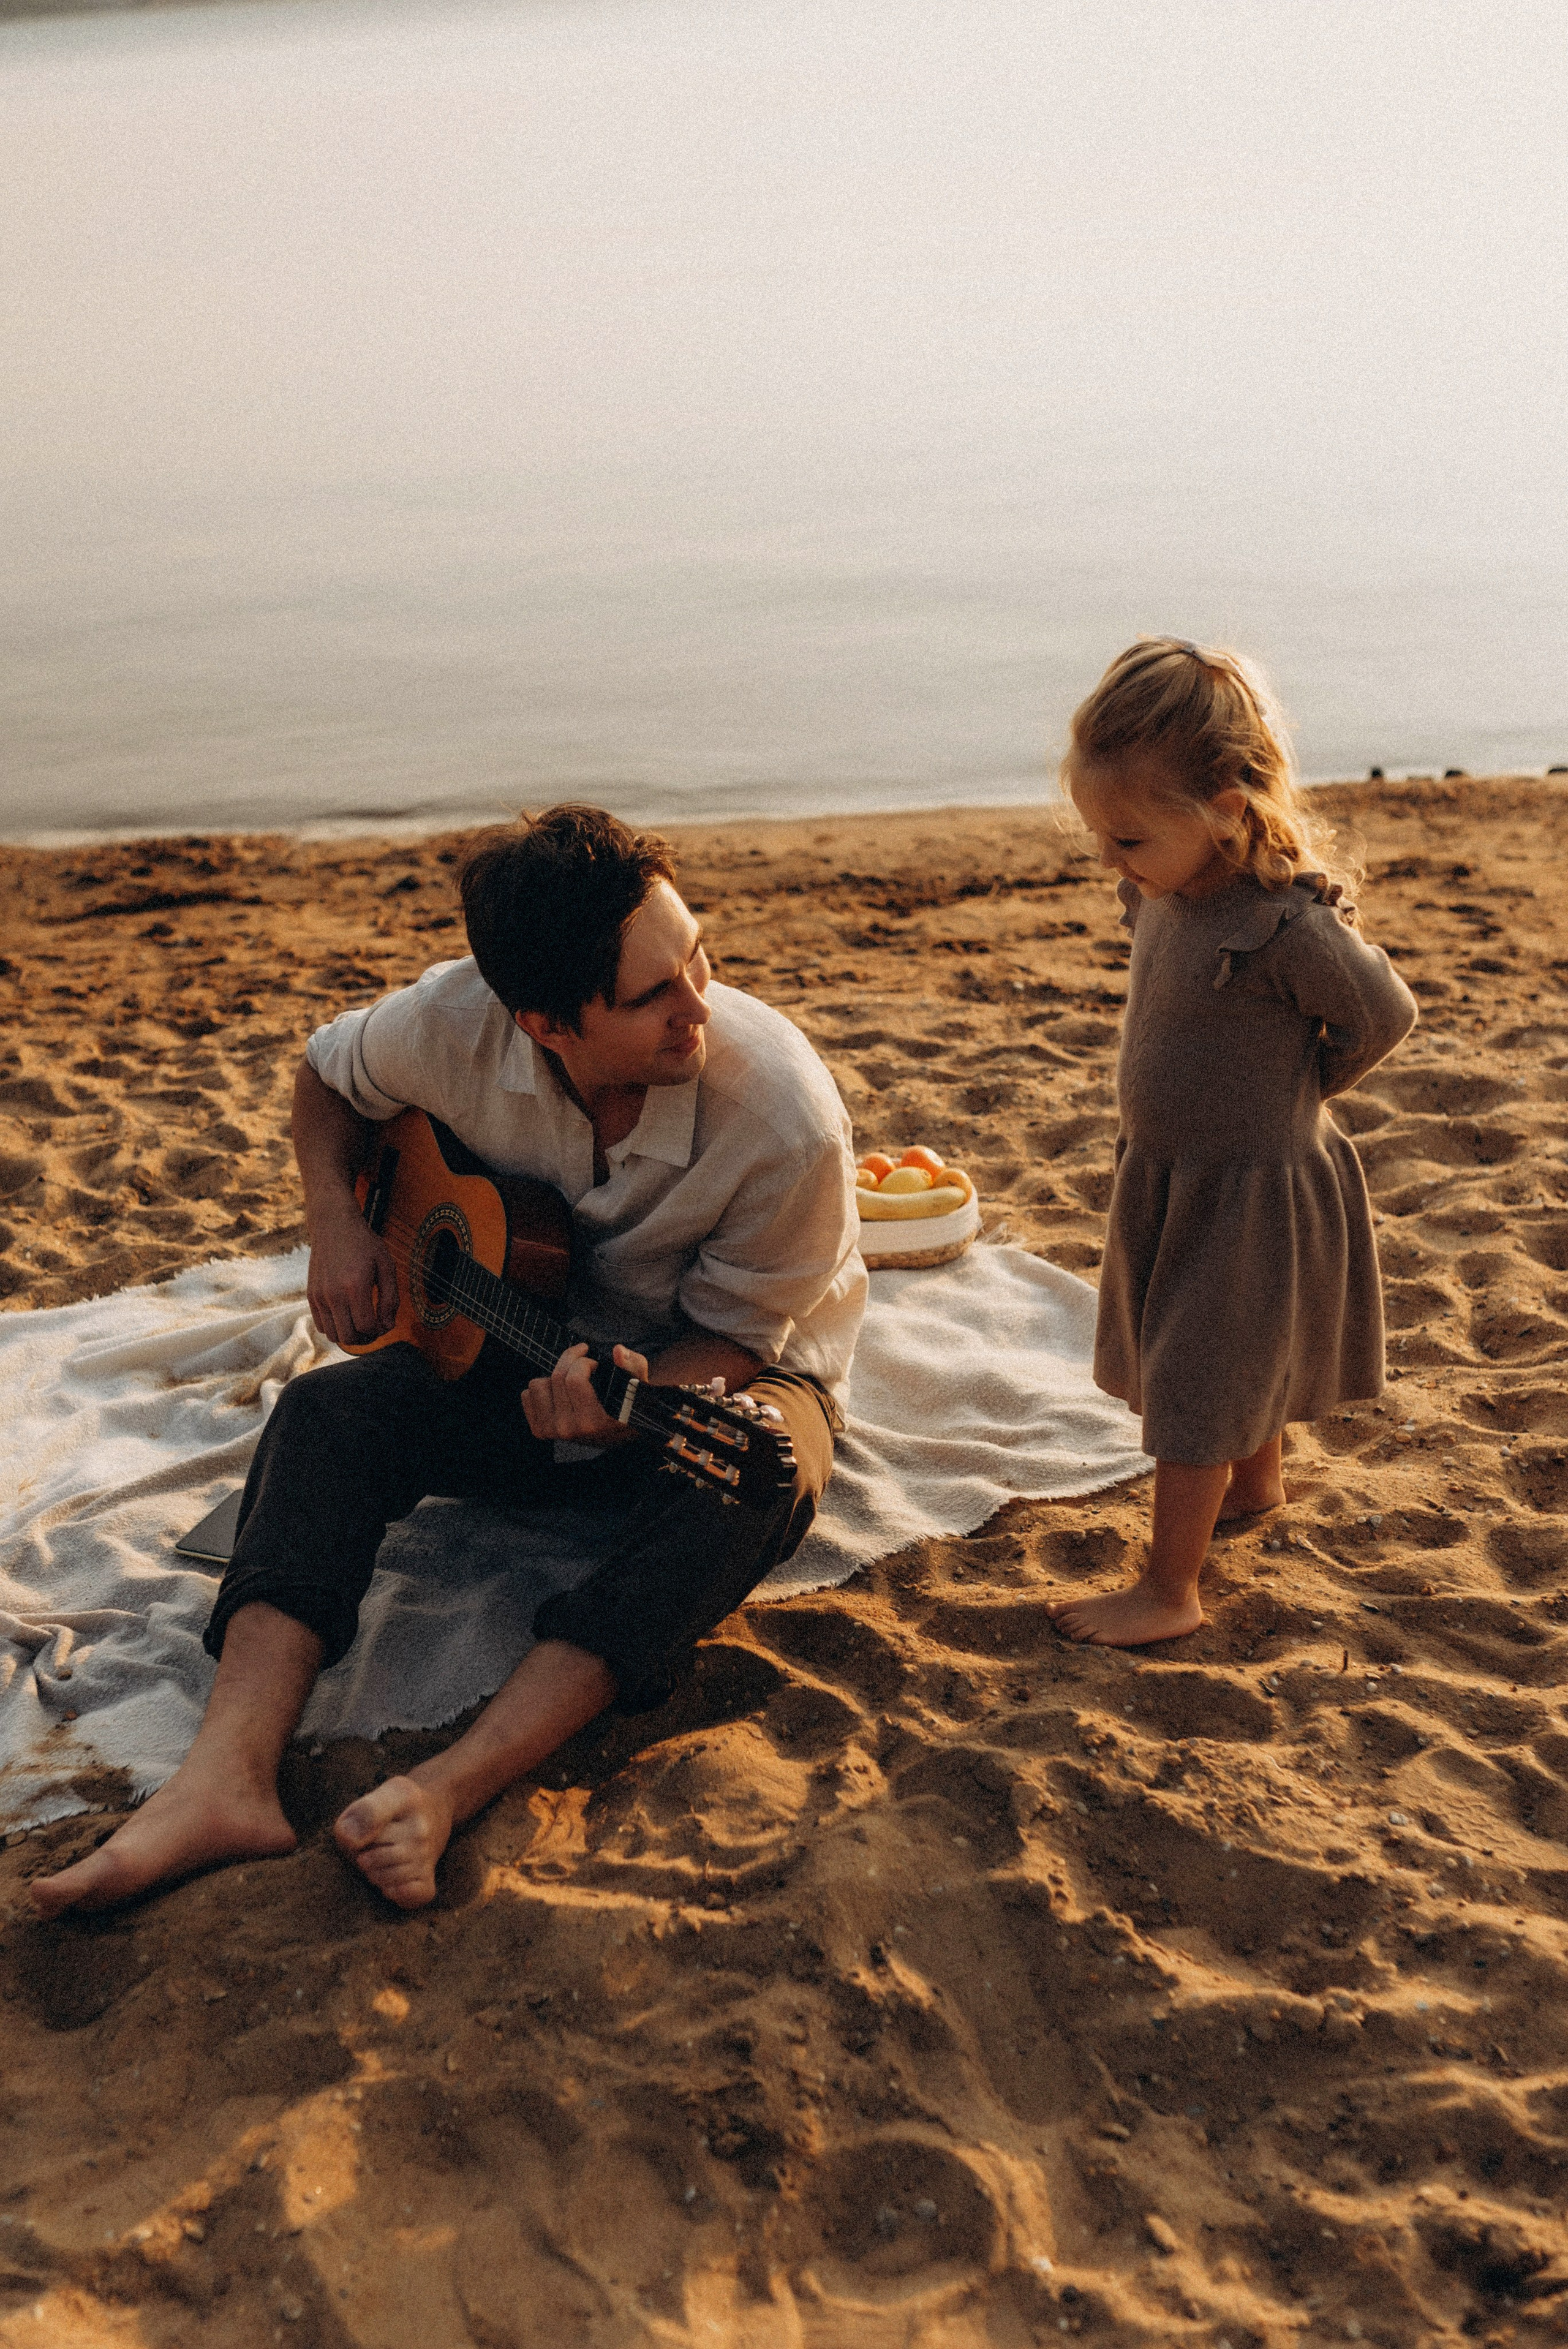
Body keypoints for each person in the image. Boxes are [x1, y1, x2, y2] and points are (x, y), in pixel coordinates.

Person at [34, 807, 865, 1916]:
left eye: (699, 958)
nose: (698, 1004)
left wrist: (628, 1410)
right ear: (543, 1022)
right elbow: (326, 1079)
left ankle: (450, 1788)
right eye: (652, 993)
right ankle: (223, 1777)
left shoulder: (782, 1122)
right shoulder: (450, 1024)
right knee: (325, 1419)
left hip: (719, 1379)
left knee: (750, 1484)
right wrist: (337, 1222)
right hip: (505, 1327)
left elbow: (737, 1343)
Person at [1045, 637, 1417, 1648]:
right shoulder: (1166, 893)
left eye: (1126, 840)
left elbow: (1384, 1015)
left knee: (1202, 1382)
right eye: (1101, 839)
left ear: (1227, 807)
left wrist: (1298, 1097)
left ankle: (1171, 1588)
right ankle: (1256, 1484)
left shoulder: (1286, 927)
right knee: (1218, 1354)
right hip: (1172, 1174)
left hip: (1251, 1184)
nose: (1109, 862)